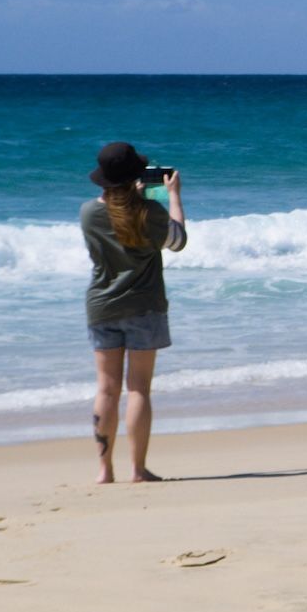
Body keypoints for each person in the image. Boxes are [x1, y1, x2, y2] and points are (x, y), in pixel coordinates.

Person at [82, 140, 188, 484]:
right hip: (145, 306)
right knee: (139, 389)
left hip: (102, 305)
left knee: (106, 390)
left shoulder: (88, 213)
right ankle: (138, 470)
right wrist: (172, 195)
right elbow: (177, 241)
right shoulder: (149, 212)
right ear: (136, 176)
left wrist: (134, 196)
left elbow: (114, 219)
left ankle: (104, 470)